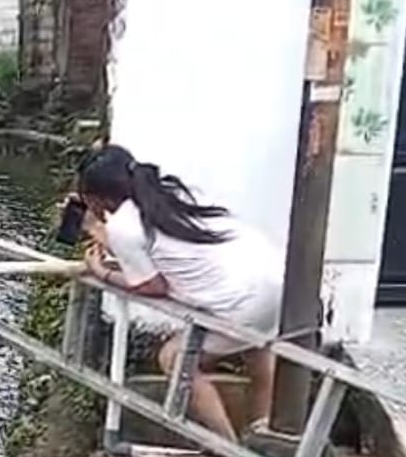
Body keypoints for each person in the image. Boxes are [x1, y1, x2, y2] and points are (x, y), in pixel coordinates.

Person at [75, 144, 284, 440]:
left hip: (242, 301)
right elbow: (155, 248)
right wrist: (97, 230)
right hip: (274, 281)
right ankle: (263, 432)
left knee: (174, 358)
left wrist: (101, 272)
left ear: (96, 197)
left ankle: (225, 443)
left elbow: (151, 285)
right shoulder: (173, 191)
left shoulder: (123, 224)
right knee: (257, 348)